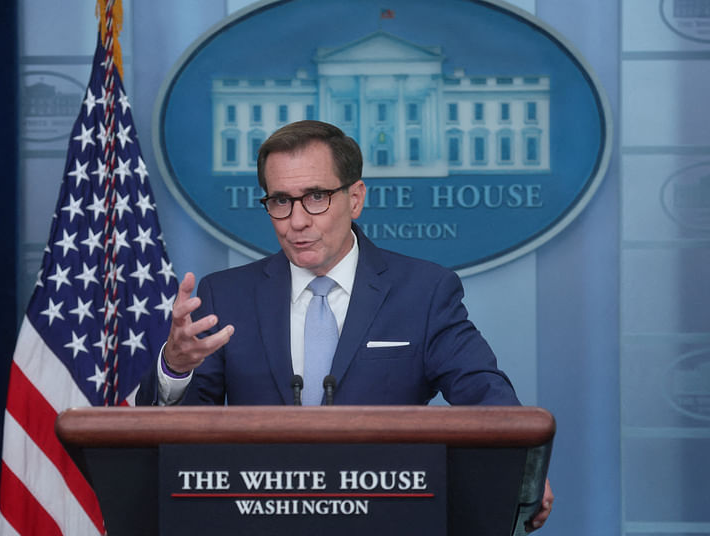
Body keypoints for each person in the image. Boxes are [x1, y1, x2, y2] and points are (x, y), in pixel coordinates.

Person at [136, 120, 553, 529]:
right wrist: (175, 367)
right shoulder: (226, 296)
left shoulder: (423, 291)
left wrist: (518, 462)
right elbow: (182, 438)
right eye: (280, 200)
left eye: (316, 196)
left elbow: (482, 391)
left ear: (355, 199)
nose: (297, 221)